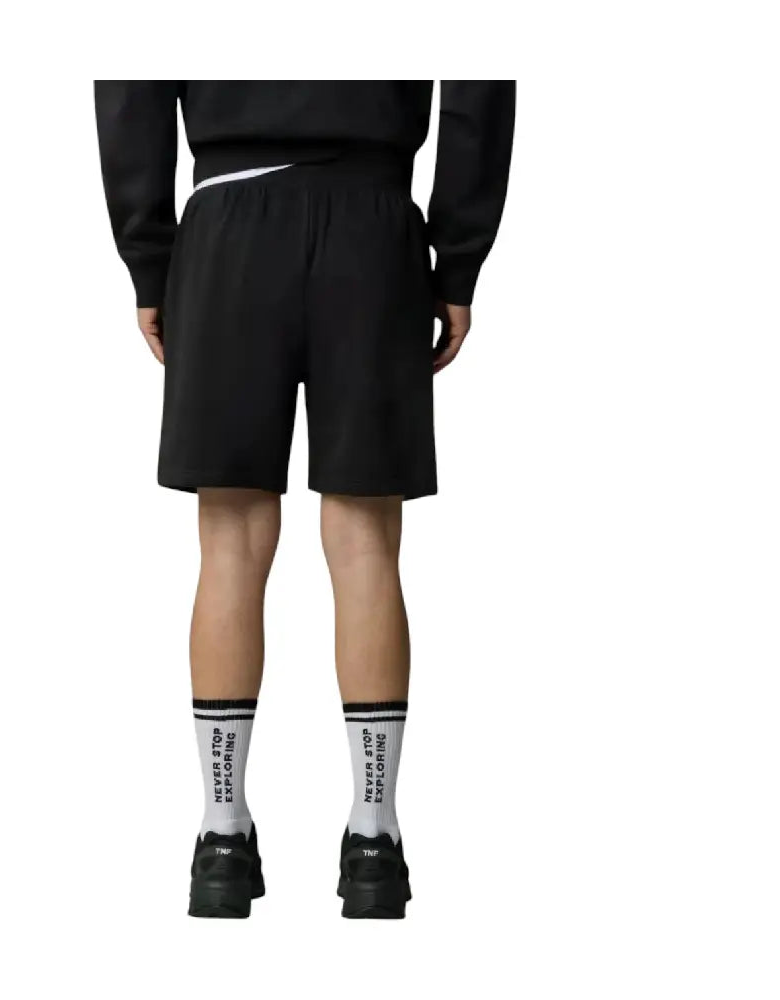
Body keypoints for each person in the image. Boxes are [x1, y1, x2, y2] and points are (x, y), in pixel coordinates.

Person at [95, 81, 515, 918]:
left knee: (231, 541)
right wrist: (457, 257)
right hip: (374, 228)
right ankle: (374, 840)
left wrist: (150, 257)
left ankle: (221, 837)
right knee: (365, 542)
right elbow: (480, 80)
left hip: (227, 227)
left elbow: (130, 80)